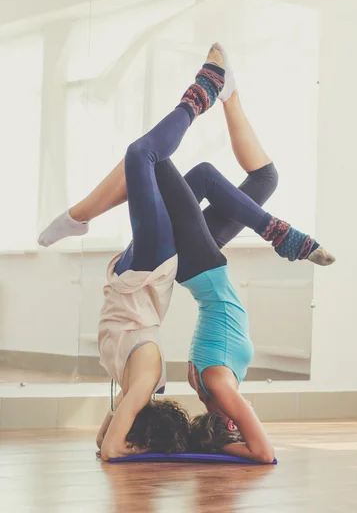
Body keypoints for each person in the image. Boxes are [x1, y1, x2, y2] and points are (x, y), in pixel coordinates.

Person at [39, 44, 334, 462]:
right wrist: (224, 440)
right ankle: (224, 94)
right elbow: (113, 435)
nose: (235, 419)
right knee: (254, 177)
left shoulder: (151, 382)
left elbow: (108, 443)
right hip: (183, 269)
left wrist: (122, 439)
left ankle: (210, 94)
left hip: (165, 268)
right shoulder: (193, 383)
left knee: (161, 162)